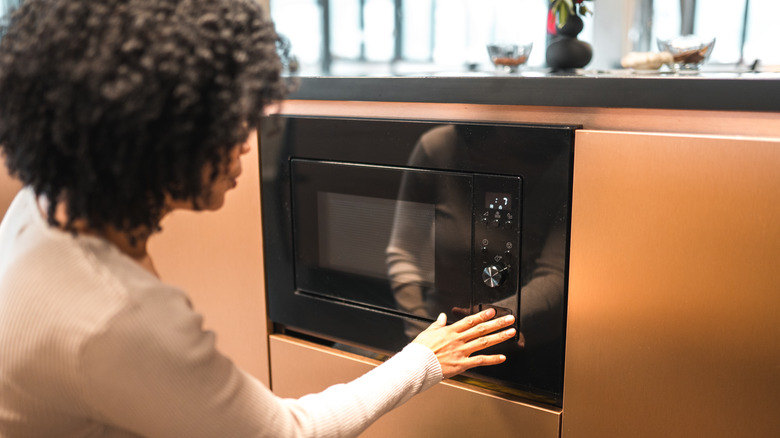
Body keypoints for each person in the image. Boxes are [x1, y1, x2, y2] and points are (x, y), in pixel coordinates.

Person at [0, 0, 516, 436]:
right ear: (156, 138)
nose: (247, 144)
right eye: (227, 124)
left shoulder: (42, 208)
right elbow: (287, 432)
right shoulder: (116, 316)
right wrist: (424, 358)